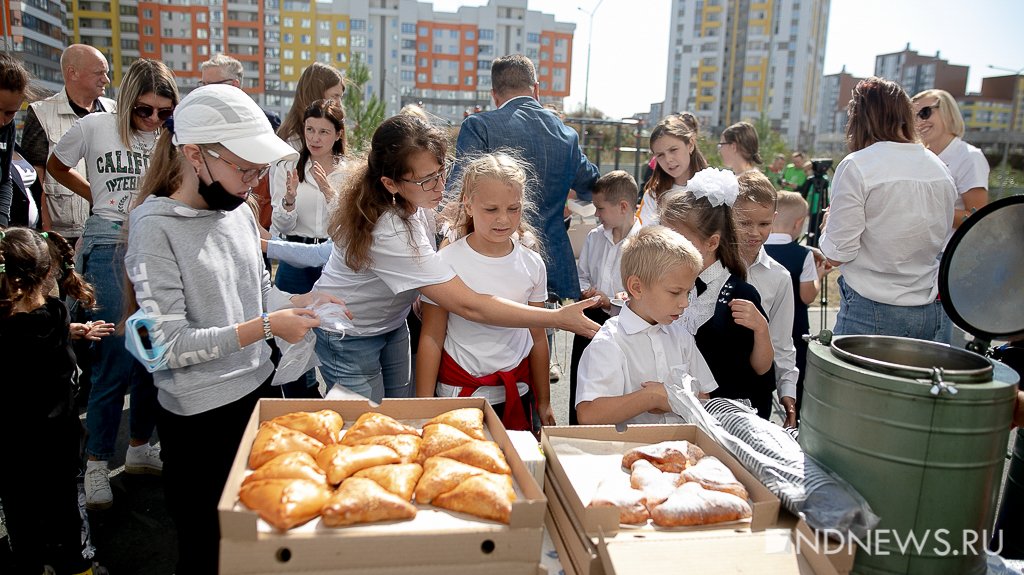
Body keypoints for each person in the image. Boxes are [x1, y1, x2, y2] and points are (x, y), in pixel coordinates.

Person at [125, 84, 333, 574]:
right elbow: (166, 348)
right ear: (194, 155)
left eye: (258, 170)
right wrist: (266, 325)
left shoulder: (239, 211)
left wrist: (300, 303)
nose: (251, 182)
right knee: (208, 550)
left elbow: (257, 290)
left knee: (256, 543)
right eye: (244, 169)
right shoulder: (153, 228)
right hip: (198, 421)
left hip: (255, 397)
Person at [307, 113, 599, 403]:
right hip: (349, 334)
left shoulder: (413, 201)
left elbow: (443, 228)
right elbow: (469, 305)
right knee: (367, 426)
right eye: (426, 180)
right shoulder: (389, 229)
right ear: (391, 183)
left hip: (390, 324)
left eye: (441, 171)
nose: (440, 186)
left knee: (398, 415)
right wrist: (556, 318)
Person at [47, 58, 178, 510]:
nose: (155, 120)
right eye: (146, 110)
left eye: (165, 112)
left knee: (152, 354)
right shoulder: (95, 126)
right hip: (108, 241)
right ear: (127, 101)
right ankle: (97, 462)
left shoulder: (169, 137)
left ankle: (140, 446)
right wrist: (95, 196)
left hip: (156, 241)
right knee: (114, 358)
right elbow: (56, 165)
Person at [415, 153, 554, 431]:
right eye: (491, 209)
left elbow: (538, 337)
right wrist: (423, 405)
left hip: (517, 392)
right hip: (458, 395)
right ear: (468, 203)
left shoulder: (532, 263)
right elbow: (432, 335)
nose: (503, 219)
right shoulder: (445, 262)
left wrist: (545, 402)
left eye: (513, 209)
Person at [451, 54, 599, 306]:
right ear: (536, 89)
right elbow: (593, 185)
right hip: (550, 260)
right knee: (541, 335)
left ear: (494, 94)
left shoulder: (480, 126)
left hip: (495, 258)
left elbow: (457, 193)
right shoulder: (567, 135)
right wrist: (565, 196)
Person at [820, 77, 955, 341]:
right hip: (927, 311)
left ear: (859, 118)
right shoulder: (939, 167)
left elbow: (838, 252)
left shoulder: (858, 165)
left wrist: (827, 227)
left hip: (870, 308)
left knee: (853, 383)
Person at [0, 228, 96, 575]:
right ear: (47, 274)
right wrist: (72, 331)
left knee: (22, 522)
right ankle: (79, 567)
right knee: (71, 520)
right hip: (62, 445)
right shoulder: (57, 313)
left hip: (13, 452)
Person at [660, 168, 775, 419]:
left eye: (677, 239)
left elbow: (761, 368)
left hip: (726, 415)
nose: (667, 247)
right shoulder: (663, 287)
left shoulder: (740, 294)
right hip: (678, 409)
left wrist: (761, 328)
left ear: (711, 243)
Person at [575, 226, 717, 425]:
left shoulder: (681, 337)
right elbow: (589, 415)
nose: (685, 302)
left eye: (688, 292)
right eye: (675, 292)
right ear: (637, 287)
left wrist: (674, 400)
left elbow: (704, 396)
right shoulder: (610, 342)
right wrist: (650, 397)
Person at [568, 170, 641, 425]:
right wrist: (587, 290)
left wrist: (611, 300)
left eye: (600, 208)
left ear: (623, 206)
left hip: (626, 326)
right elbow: (583, 273)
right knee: (582, 385)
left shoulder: (644, 243)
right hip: (590, 320)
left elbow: (643, 293)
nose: (596, 214)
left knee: (614, 390)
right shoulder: (594, 236)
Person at [20, 45, 114, 240]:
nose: (106, 80)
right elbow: (36, 180)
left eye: (106, 73)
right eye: (99, 73)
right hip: (64, 235)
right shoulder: (41, 113)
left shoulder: (116, 112)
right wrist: (45, 235)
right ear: (73, 73)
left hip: (109, 229)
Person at [733, 171, 800, 427]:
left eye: (763, 225)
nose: (754, 233)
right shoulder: (708, 267)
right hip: (711, 383)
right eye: (744, 223)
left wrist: (787, 392)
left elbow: (782, 342)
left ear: (774, 219)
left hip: (755, 387)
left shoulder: (779, 277)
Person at [200, 53, 283, 233]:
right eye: (202, 85)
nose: (204, 91)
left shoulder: (263, 124)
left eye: (211, 85)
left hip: (254, 225)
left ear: (234, 85)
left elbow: (267, 186)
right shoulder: (194, 128)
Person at [270, 98, 345, 292]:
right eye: (309, 129)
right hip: (294, 258)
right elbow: (280, 226)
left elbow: (348, 225)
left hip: (334, 259)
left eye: (323, 132)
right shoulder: (288, 167)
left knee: (330, 319)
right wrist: (289, 200)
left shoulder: (349, 173)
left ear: (338, 134)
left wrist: (329, 193)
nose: (314, 138)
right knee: (287, 314)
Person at [765, 191, 828, 419]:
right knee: (795, 378)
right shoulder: (802, 255)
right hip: (793, 331)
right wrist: (818, 276)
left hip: (761, 330)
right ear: (799, 223)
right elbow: (806, 296)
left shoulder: (758, 251)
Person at [911, 89, 988, 232]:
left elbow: (977, 218)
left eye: (925, 113)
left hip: (948, 252)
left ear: (948, 112)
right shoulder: (919, 157)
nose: (919, 122)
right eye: (912, 117)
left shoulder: (970, 157)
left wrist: (923, 210)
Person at [637, 112, 708, 227]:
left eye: (673, 150)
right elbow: (644, 238)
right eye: (660, 155)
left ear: (690, 145)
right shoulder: (653, 195)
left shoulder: (715, 188)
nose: (668, 159)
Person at [277, 62, 345, 149]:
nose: (339, 104)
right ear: (315, 95)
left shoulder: (334, 133)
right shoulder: (292, 143)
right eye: (334, 96)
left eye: (340, 97)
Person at [0, 53, 33, 227]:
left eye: (10, 113)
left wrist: (2, 225)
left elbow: (4, 180)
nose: (2, 121)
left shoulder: (7, 127)